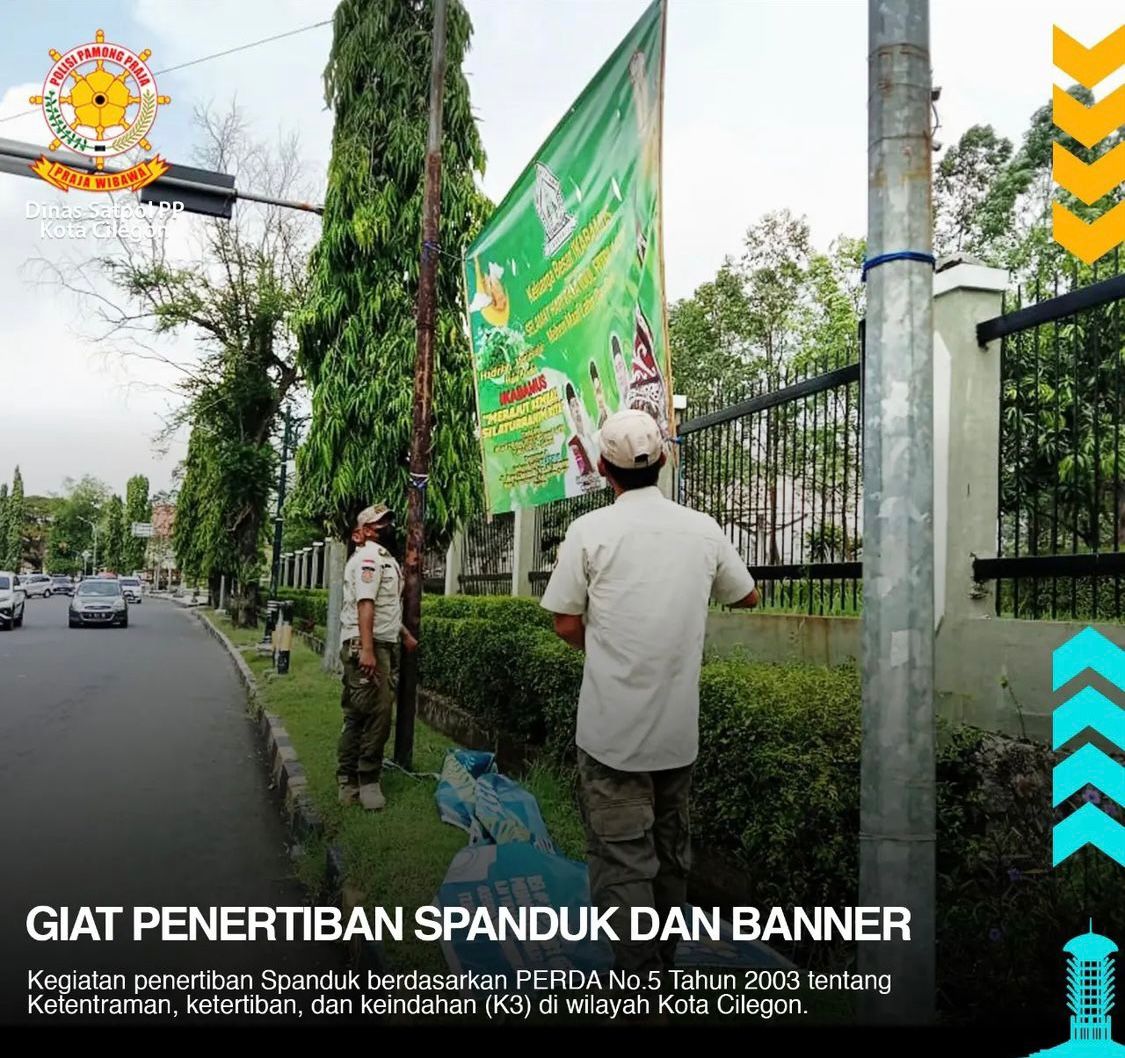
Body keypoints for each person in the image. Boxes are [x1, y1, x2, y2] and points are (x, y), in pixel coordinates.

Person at [539, 409, 759, 974]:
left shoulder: (589, 532)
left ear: (602, 468)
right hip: (676, 737)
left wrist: (607, 648)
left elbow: (565, 622)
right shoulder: (702, 529)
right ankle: (660, 966)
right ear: (664, 459)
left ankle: (639, 985)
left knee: (622, 862)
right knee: (669, 856)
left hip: (611, 735)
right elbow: (747, 596)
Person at [337, 503, 411, 811]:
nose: (386, 527)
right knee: (378, 714)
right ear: (363, 531)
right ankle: (366, 780)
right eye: (379, 524)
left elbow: (383, 606)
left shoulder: (382, 558)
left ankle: (347, 781)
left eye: (387, 522)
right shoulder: (369, 558)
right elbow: (365, 604)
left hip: (375, 641)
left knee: (358, 713)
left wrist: (404, 635)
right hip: (368, 645)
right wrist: (367, 650)